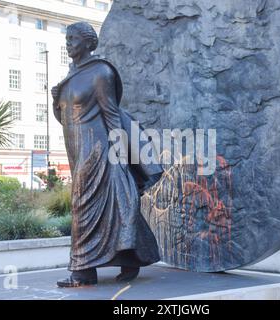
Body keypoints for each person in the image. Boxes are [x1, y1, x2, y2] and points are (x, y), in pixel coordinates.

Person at [52, 21, 163, 288]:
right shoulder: (71, 75)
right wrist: (56, 101)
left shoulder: (101, 72)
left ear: (88, 43)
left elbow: (112, 116)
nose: (68, 43)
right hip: (77, 150)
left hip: (98, 150)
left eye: (73, 38)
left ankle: (82, 272)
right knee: (114, 206)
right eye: (67, 38)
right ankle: (132, 258)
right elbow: (67, 119)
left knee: (83, 205)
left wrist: (120, 157)